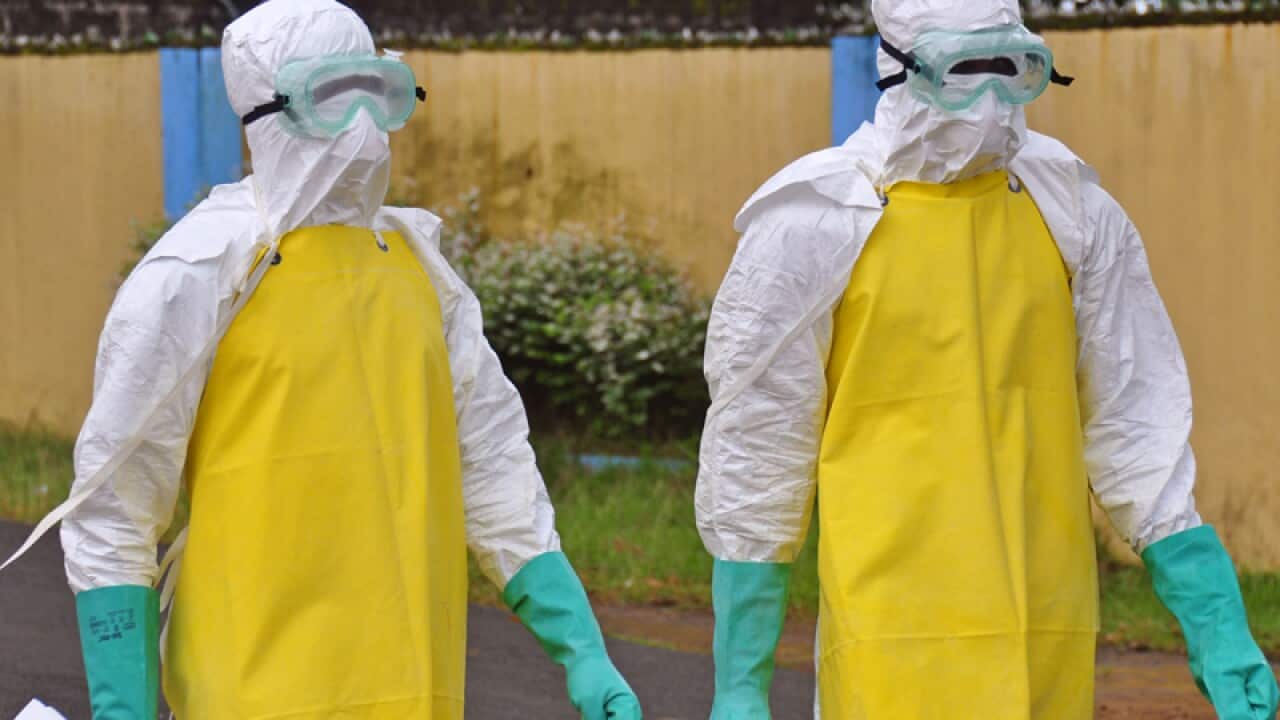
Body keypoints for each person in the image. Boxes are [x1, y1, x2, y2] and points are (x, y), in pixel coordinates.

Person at [3, 1, 642, 718]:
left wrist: (584, 651)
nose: (363, 128)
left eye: (378, 91)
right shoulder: (199, 272)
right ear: (266, 112)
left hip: (415, 691)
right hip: (246, 692)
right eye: (334, 98)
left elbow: (496, 471)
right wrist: (124, 706)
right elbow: (117, 511)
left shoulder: (424, 275)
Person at [695, 0, 1279, 718]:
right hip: (890, 629)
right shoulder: (811, 223)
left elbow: (1135, 420)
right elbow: (758, 450)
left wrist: (1214, 623)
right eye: (963, 72)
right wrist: (740, 683)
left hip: (1046, 624)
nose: (992, 101)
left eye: (1013, 70)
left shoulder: (1074, 212)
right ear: (901, 68)